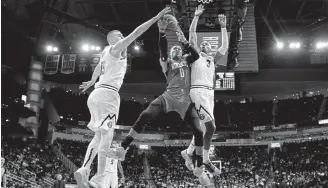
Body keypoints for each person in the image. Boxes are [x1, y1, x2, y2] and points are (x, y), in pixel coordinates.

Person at [104, 15, 211, 186]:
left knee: (199, 132)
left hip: (185, 101)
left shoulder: (187, 60)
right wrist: (161, 32)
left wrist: (184, 42)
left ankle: (199, 164)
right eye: (172, 50)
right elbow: (162, 50)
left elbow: (197, 55)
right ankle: (123, 147)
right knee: (145, 115)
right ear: (169, 54)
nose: (175, 50)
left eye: (177, 49)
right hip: (168, 97)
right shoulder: (166, 63)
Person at [74, 7, 171, 188]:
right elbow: (136, 32)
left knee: (99, 135)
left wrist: (91, 81)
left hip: (96, 94)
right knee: (106, 137)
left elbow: (97, 68)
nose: (122, 36)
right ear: (113, 39)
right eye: (119, 35)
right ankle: (99, 179)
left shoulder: (104, 52)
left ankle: (84, 169)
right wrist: (156, 18)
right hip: (108, 95)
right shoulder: (116, 48)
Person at [181, 4, 228, 175]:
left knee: (204, 128)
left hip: (209, 93)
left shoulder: (213, 60)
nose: (207, 45)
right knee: (212, 128)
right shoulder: (197, 57)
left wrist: (223, 27)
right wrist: (195, 16)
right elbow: (192, 36)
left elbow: (224, 47)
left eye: (209, 44)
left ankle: (187, 152)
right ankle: (205, 159)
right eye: (205, 44)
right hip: (198, 91)